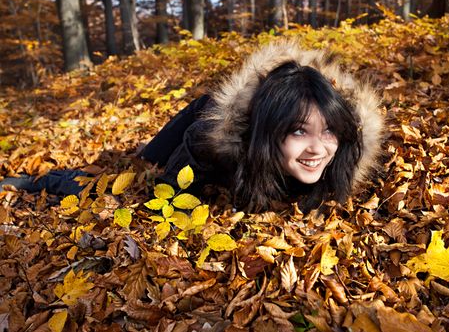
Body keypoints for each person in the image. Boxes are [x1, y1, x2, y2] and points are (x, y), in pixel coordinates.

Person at [0, 41, 384, 212]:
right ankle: (36, 182)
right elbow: (166, 194)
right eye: (299, 131)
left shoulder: (345, 148)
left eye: (327, 130)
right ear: (267, 135)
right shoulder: (211, 144)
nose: (319, 148)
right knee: (137, 174)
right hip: (199, 117)